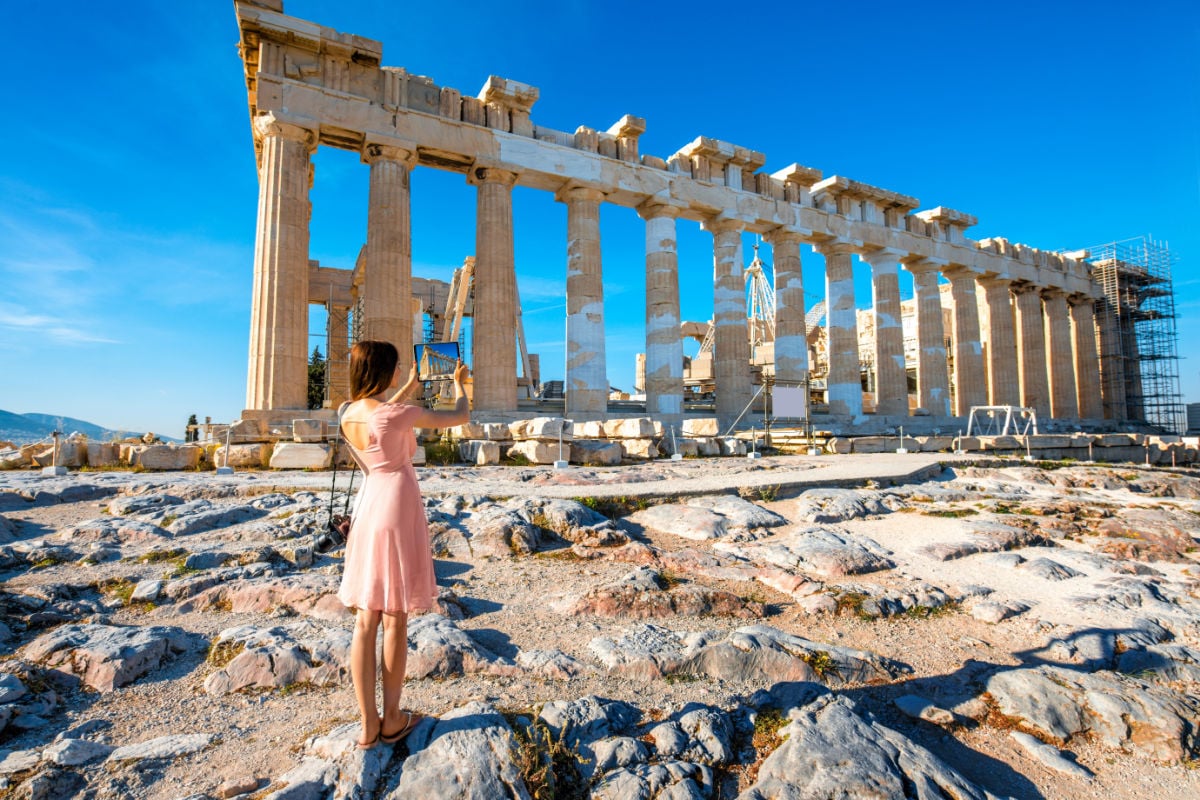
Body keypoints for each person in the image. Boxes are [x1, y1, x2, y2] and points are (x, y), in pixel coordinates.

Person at [336, 340, 470, 749]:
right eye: (396, 368)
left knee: (365, 620)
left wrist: (411, 385)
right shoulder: (400, 414)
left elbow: (381, 419)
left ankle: (367, 723)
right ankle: (393, 718)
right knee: (394, 617)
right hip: (397, 508)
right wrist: (460, 383)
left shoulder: (347, 414)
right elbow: (460, 416)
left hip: (369, 506)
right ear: (383, 370)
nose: (399, 373)